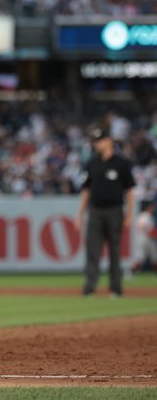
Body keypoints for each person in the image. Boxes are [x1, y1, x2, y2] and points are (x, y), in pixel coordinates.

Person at [75, 127, 135, 297]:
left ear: (108, 141)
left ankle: (115, 288)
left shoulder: (121, 163)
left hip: (115, 211)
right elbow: (86, 190)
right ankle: (90, 287)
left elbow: (130, 191)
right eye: (95, 141)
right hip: (95, 211)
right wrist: (80, 214)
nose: (97, 144)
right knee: (92, 250)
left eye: (99, 141)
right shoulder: (92, 163)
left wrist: (130, 214)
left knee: (115, 251)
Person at [130, 199, 157, 274]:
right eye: (151, 207)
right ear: (148, 207)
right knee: (141, 258)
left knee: (154, 257)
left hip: (147, 239)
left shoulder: (148, 216)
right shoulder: (144, 215)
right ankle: (131, 272)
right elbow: (141, 227)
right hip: (144, 239)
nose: (153, 209)